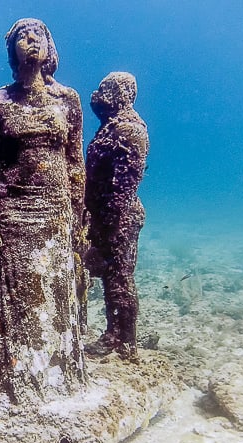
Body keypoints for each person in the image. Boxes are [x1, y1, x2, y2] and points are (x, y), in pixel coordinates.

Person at [0, 19, 87, 403]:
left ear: (50, 47)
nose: (31, 39)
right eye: (22, 35)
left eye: (38, 34)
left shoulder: (67, 99)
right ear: (12, 50)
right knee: (11, 294)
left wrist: (78, 213)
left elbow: (74, 161)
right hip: (12, 207)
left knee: (52, 290)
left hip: (54, 208)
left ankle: (55, 374)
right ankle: (6, 374)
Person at [85, 72, 149, 359]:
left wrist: (109, 225)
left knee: (120, 277)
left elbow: (124, 185)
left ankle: (126, 341)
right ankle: (114, 332)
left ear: (120, 93)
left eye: (104, 89)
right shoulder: (111, 128)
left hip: (119, 217)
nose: (97, 96)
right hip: (105, 215)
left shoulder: (130, 131)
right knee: (112, 278)